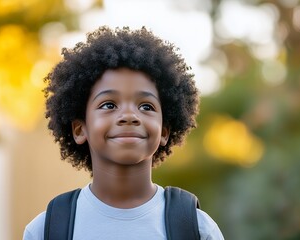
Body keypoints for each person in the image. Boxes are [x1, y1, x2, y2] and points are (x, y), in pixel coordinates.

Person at [23, 26, 224, 240]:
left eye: (146, 106)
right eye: (109, 105)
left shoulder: (197, 228)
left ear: (164, 131)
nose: (129, 115)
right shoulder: (45, 230)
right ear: (80, 129)